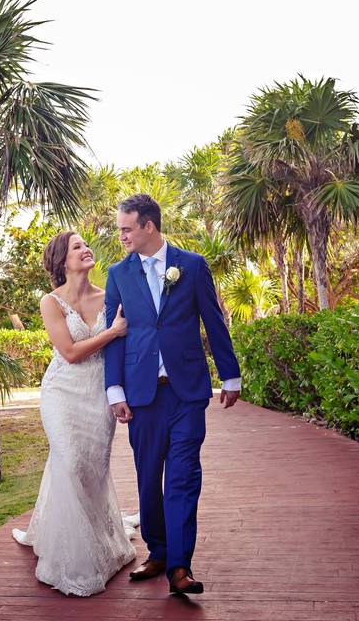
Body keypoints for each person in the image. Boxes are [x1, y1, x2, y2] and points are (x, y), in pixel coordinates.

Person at [104, 193, 241, 596]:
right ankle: (159, 551)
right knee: (148, 479)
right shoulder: (118, 273)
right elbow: (116, 338)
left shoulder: (193, 266)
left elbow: (214, 322)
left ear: (149, 226)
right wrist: (115, 389)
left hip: (186, 393)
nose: (122, 236)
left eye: (127, 228)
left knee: (182, 478)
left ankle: (180, 566)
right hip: (142, 395)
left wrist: (229, 376)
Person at [12, 231, 137, 596]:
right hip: (62, 391)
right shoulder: (50, 302)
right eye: (76, 247)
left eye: (85, 244)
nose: (86, 249)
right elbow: (68, 351)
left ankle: (96, 536)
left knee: (91, 466)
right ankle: (76, 561)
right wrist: (112, 332)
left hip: (99, 394)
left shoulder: (110, 296)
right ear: (61, 261)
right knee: (69, 461)